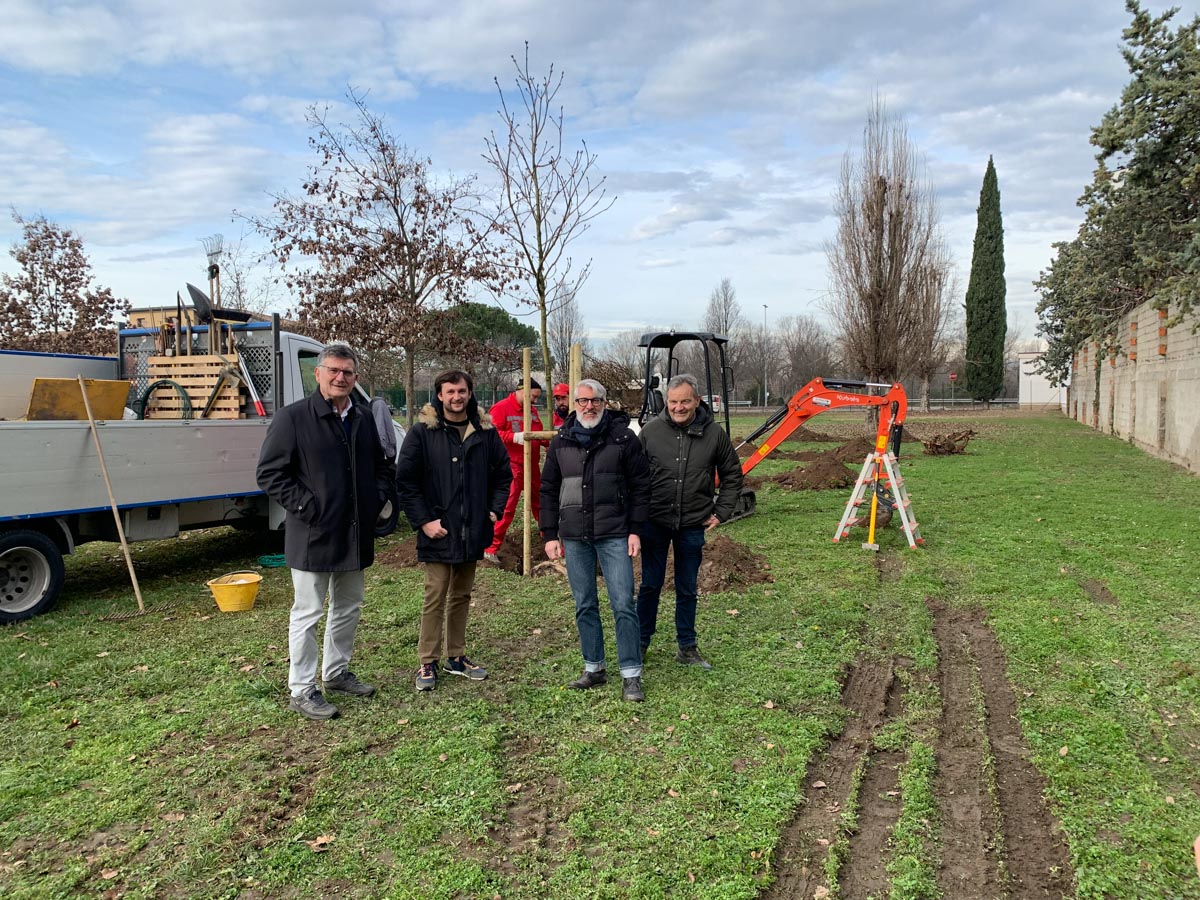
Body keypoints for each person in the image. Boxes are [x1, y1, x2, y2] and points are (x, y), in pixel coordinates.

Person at [257, 343, 392, 720]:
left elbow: (382, 466)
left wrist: (376, 498)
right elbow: (270, 473)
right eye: (333, 370)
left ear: (356, 377)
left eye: (347, 372)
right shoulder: (293, 418)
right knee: (309, 612)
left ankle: (336, 673)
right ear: (317, 374)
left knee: (348, 606)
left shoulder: (363, 418)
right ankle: (302, 689)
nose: (340, 377)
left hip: (355, 533)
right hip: (312, 534)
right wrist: (307, 506)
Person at [396, 370, 512, 691]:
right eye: (450, 392)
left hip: (472, 530)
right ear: (440, 395)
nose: (456, 397)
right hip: (438, 530)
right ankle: (427, 661)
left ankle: (456, 657)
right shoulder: (423, 433)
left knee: (461, 595)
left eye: (461, 391)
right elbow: (406, 481)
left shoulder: (485, 433)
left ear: (470, 393)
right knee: (435, 594)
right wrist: (424, 521)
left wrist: (493, 510)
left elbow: (503, 475)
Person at [540, 379, 651, 701]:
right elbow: (548, 489)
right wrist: (550, 533)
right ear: (574, 404)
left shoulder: (623, 438)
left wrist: (635, 529)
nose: (589, 406)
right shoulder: (561, 441)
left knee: (623, 603)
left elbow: (641, 486)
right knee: (585, 603)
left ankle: (631, 674)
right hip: (575, 536)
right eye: (583, 401)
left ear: (604, 403)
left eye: (595, 401)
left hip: (614, 532)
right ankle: (594, 668)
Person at [636, 374, 743, 670]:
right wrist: (636, 515)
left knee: (687, 587)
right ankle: (640, 643)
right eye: (673, 402)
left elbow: (733, 475)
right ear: (666, 402)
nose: (678, 407)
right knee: (650, 585)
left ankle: (687, 646)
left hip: (693, 523)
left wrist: (722, 511)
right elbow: (634, 476)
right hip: (655, 521)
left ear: (697, 400)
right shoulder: (651, 432)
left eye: (685, 401)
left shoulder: (714, 434)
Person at [486, 379, 546, 563]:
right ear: (522, 391)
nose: (535, 401)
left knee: (542, 502)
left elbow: (538, 432)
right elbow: (491, 435)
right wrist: (514, 437)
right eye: (533, 396)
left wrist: (549, 441)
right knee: (507, 506)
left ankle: (548, 537)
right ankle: (491, 547)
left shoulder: (532, 411)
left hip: (532, 464)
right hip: (511, 466)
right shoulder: (501, 408)